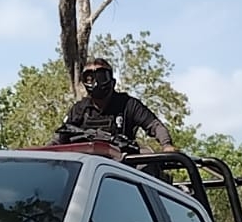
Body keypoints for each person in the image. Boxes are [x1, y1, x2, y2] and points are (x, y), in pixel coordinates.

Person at [51, 58, 179, 153]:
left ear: (112, 82)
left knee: (146, 158)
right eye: (89, 78)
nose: (95, 83)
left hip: (122, 163)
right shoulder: (79, 109)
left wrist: (166, 145)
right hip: (86, 164)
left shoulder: (128, 104)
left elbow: (154, 125)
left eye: (101, 77)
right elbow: (59, 137)